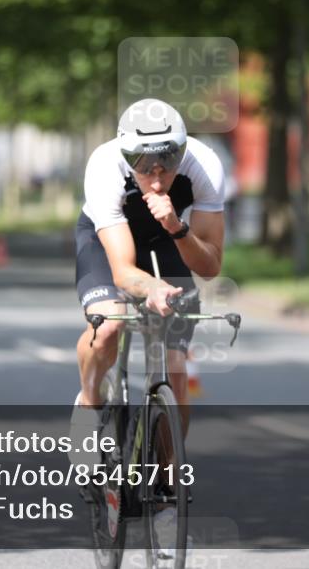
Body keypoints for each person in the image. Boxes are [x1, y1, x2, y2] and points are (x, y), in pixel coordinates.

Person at [74, 98, 226, 418]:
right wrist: (153, 288)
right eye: (143, 168)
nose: (156, 181)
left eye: (167, 165)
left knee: (177, 372)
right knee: (108, 329)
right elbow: (123, 271)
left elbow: (210, 267)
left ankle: (169, 467)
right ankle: (88, 404)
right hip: (106, 243)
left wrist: (177, 227)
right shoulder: (105, 165)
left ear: (182, 153)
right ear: (128, 159)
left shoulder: (204, 165)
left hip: (167, 238)